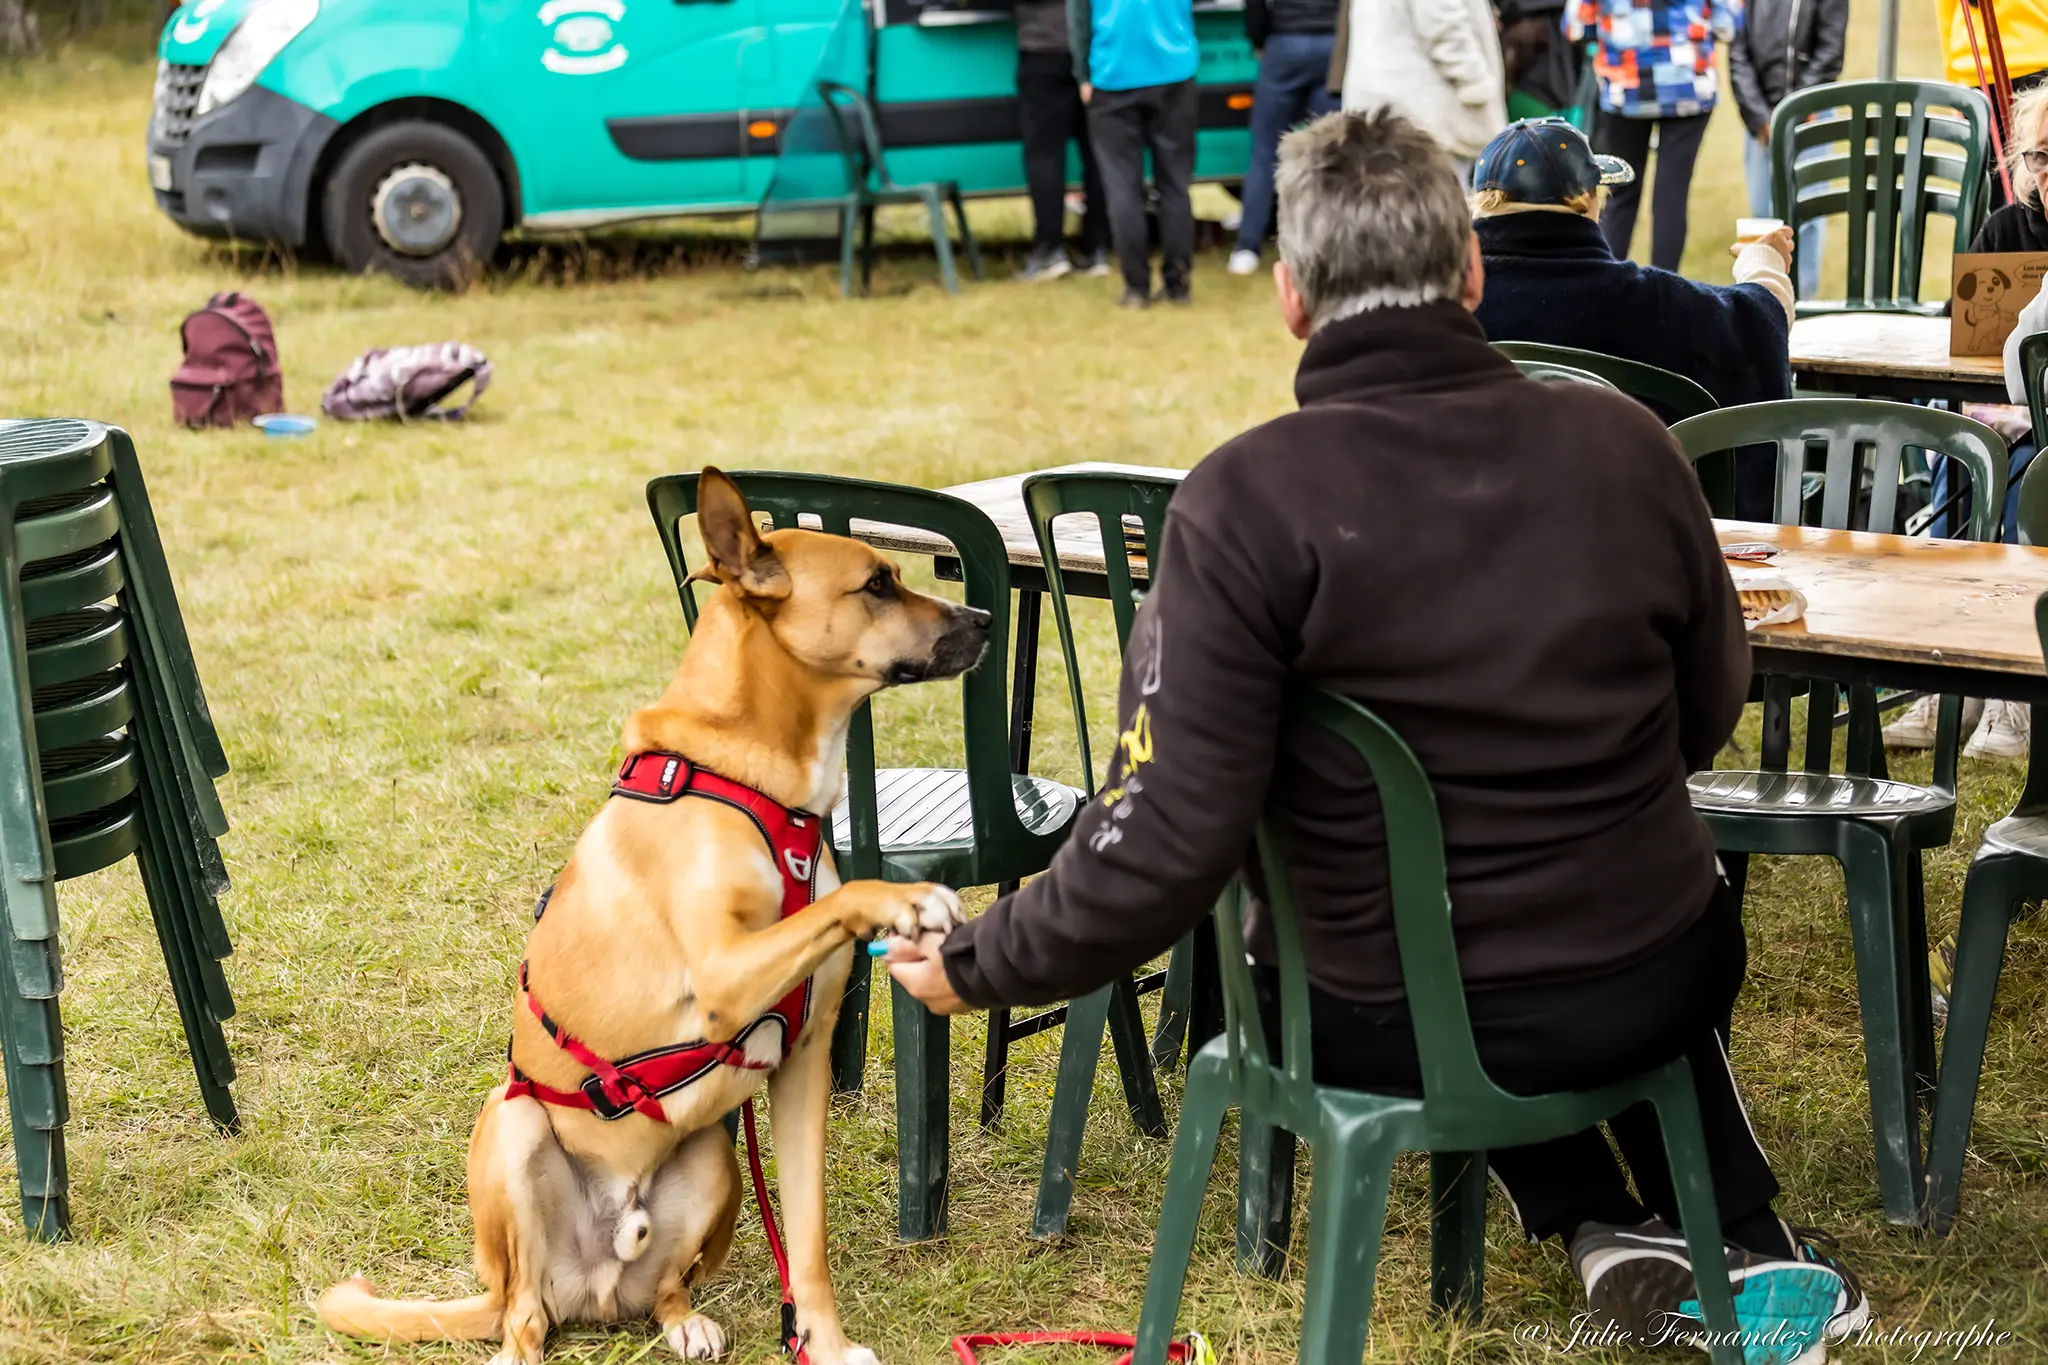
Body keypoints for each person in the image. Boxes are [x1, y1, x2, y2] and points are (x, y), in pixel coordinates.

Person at [888, 108, 1866, 1351]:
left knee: (1434, 954)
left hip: (1375, 1015)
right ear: (1468, 274)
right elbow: (1706, 708)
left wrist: (980, 961)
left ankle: (1604, 1228)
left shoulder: (1243, 500)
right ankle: (1687, 1230)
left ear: (1291, 298)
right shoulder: (1627, 445)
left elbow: (1162, 835)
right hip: (1652, 975)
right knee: (1555, 945)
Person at [1469, 117, 1794, 517]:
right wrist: (1764, 265)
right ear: (1589, 201)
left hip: (1473, 539)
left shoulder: (1443, 308)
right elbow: (1757, 325)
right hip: (1628, 542)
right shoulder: (1648, 301)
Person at [1888, 85, 2048, 759]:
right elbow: (1961, 341)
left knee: (2021, 478)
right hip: (2000, 411)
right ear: (2024, 161)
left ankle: (2013, 688)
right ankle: (1952, 676)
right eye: (2042, 156)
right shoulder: (2005, 230)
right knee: (1964, 457)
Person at [1569, 0, 1732, 271]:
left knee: (1620, 196)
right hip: (1686, 88)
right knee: (1671, 197)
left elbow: (1576, 25)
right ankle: (1665, 295)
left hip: (1626, 86)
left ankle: (1606, 285)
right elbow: (1727, 23)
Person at [1068, 0, 1199, 306]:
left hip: (1112, 72)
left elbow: (1077, 16)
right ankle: (1178, 284)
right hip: (1174, 69)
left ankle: (1136, 287)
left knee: (1122, 188)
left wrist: (1082, 73)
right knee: (1176, 186)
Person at [1729, 0, 1846, 301]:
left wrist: (1794, 110)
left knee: (1805, 220)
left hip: (1810, 118)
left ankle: (1802, 303)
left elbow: (1830, 51)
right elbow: (1738, 52)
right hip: (1761, 123)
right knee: (1762, 215)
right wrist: (1760, 118)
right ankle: (1766, 301)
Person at [1225, 0, 1340, 277]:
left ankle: (1247, 248)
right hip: (1332, 44)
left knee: (1264, 150)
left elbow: (1254, 5)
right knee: (1331, 154)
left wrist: (1259, 38)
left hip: (1284, 41)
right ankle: (1332, 245)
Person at [1334, 0, 1505, 180]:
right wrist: (1476, 84)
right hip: (1427, 113)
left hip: (1385, 104)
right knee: (1437, 198)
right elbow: (1443, 25)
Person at [1015, 0, 1113, 282]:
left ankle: (1049, 250)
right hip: (1098, 47)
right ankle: (1097, 248)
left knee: (1044, 154)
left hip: (1043, 47)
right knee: (1098, 153)